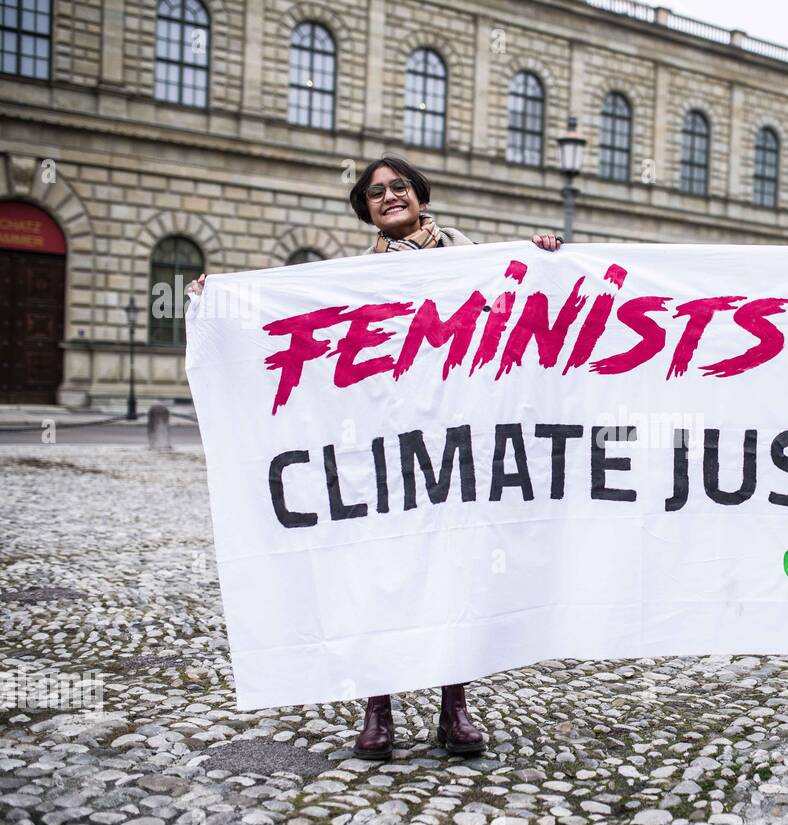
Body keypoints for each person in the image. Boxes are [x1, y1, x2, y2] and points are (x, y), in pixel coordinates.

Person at [188, 154, 563, 761]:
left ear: (419, 193)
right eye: (376, 192)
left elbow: (525, 306)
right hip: (384, 448)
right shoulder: (354, 278)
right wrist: (219, 301)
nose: (390, 196)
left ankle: (453, 710)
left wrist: (548, 255)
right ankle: (378, 709)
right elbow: (285, 320)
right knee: (377, 575)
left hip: (456, 444)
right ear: (366, 208)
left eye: (400, 187)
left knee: (454, 574)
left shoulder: (477, 259)